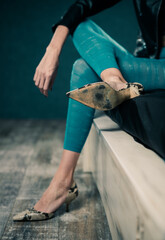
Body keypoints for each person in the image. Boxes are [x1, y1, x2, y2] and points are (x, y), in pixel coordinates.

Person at [13, 0, 165, 221]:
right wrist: (52, 51)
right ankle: (114, 79)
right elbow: (82, 5)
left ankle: (62, 183)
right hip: (147, 61)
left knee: (83, 69)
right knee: (81, 25)